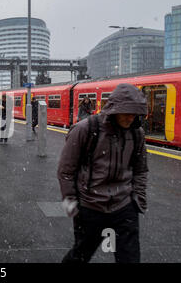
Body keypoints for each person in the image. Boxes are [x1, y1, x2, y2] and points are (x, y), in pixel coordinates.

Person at [57, 83, 148, 263]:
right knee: (81, 254)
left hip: (124, 206)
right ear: (114, 109)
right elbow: (66, 171)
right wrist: (71, 202)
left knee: (130, 258)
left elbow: (140, 170)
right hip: (90, 206)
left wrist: (138, 200)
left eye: (135, 113)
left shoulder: (137, 134)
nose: (131, 118)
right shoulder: (85, 129)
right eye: (127, 112)